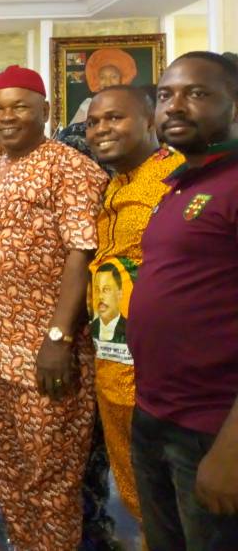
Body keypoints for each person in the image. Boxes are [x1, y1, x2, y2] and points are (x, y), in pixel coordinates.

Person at [0, 65, 107, 551]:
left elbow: (82, 253)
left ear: (45, 111)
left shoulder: (70, 167)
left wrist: (58, 339)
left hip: (44, 356)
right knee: (8, 472)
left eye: (20, 107)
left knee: (50, 479)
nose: (7, 117)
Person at [129, 52, 238, 549]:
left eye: (196, 94)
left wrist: (231, 448)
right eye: (165, 95)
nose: (174, 106)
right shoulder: (180, 184)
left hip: (213, 427)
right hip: (156, 414)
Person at [84, 84, 183, 529]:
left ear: (149, 121)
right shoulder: (114, 184)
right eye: (93, 122)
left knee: (177, 501)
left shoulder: (177, 178)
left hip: (164, 375)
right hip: (113, 363)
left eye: (114, 118)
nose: (101, 129)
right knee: (140, 497)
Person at [88, 265, 127, 344]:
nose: (100, 296)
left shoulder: (132, 331)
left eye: (106, 289)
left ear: (120, 294)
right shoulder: (89, 330)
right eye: (97, 290)